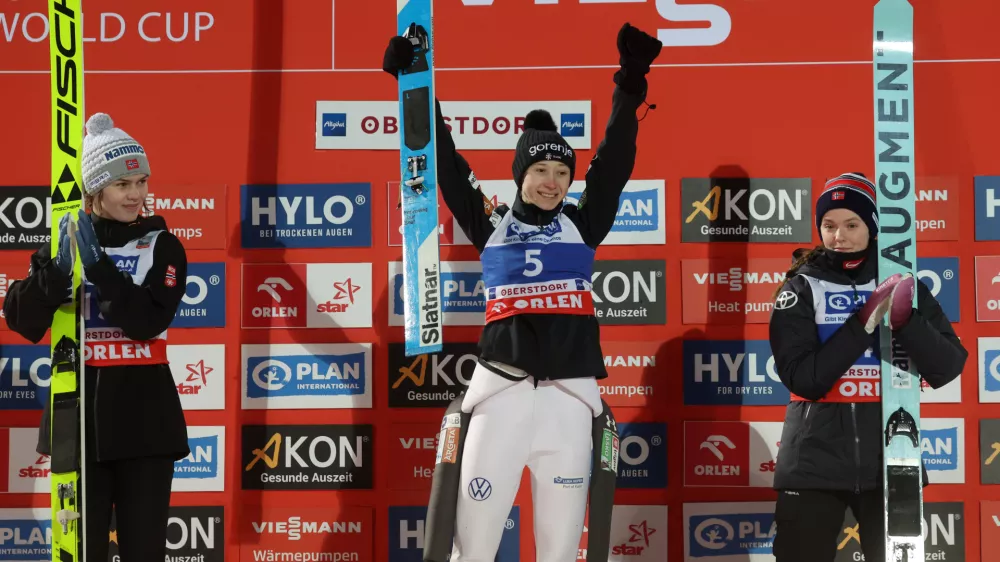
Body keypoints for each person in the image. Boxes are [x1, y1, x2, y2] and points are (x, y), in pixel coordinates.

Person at [383, 22, 662, 561]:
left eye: (561, 171)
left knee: (559, 551)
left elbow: (615, 164)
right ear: (520, 174)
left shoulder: (584, 223)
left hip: (568, 403)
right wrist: (414, 80)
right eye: (540, 169)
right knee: (476, 546)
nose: (552, 181)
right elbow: (443, 158)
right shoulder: (491, 222)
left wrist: (630, 83)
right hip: (501, 398)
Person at [3, 113, 190, 561]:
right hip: (78, 416)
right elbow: (21, 320)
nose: (137, 194)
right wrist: (57, 273)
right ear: (95, 190)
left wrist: (101, 269)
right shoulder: (63, 238)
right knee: (81, 551)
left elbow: (147, 322)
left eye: (142, 181)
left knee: (143, 552)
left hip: (145, 420)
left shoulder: (162, 244)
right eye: (124, 185)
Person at [767, 172, 968, 562]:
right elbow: (805, 380)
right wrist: (863, 323)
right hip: (812, 463)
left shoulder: (902, 282)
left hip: (893, 459)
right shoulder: (800, 287)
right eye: (828, 225)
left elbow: (948, 368)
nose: (838, 235)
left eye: (850, 224)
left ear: (872, 227)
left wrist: (908, 322)